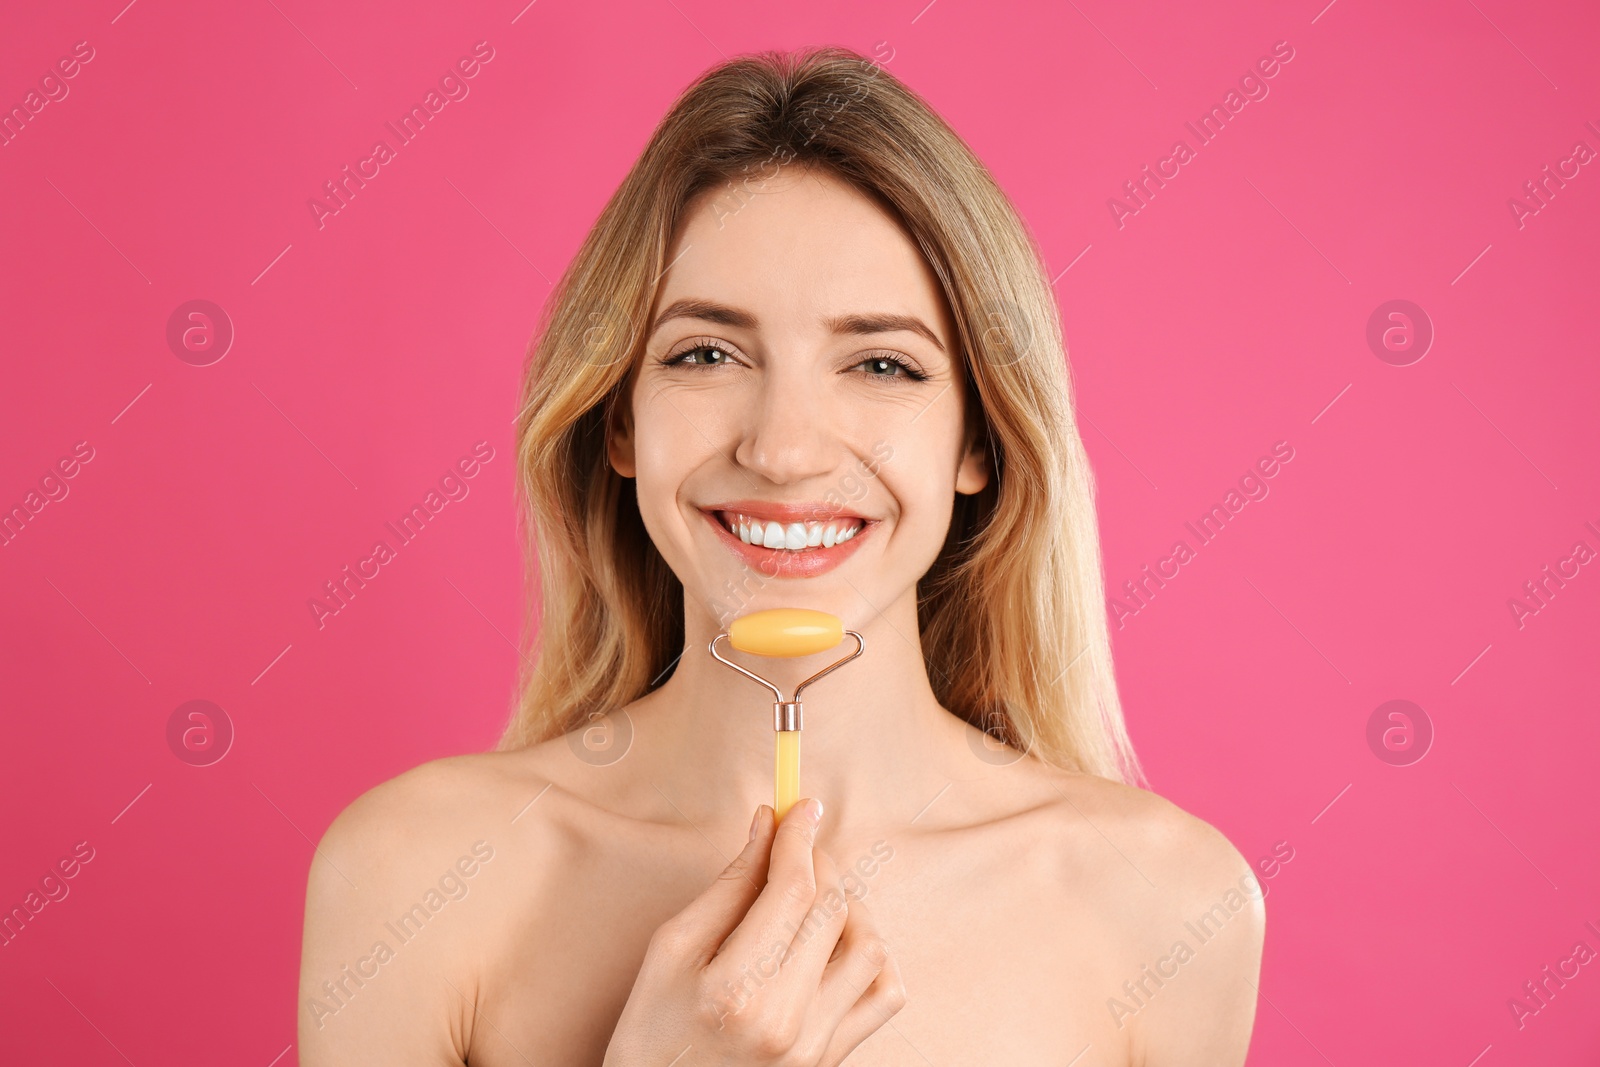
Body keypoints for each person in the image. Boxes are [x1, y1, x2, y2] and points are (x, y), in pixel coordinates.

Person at [299, 45, 1264, 1066]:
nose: (783, 447)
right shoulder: (415, 877)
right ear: (619, 418)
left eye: (882, 362)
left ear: (977, 439)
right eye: (704, 354)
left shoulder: (1166, 905)